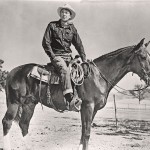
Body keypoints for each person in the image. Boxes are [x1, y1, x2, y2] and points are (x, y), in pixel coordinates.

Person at [42, 4, 86, 105]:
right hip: (57, 56)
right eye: (62, 12)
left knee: (80, 72)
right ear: (60, 14)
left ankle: (81, 95)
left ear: (70, 16)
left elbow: (79, 44)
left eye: (66, 12)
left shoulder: (72, 29)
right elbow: (46, 42)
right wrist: (53, 56)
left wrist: (84, 58)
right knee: (65, 70)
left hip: (69, 57)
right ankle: (69, 97)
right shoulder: (52, 25)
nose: (64, 14)